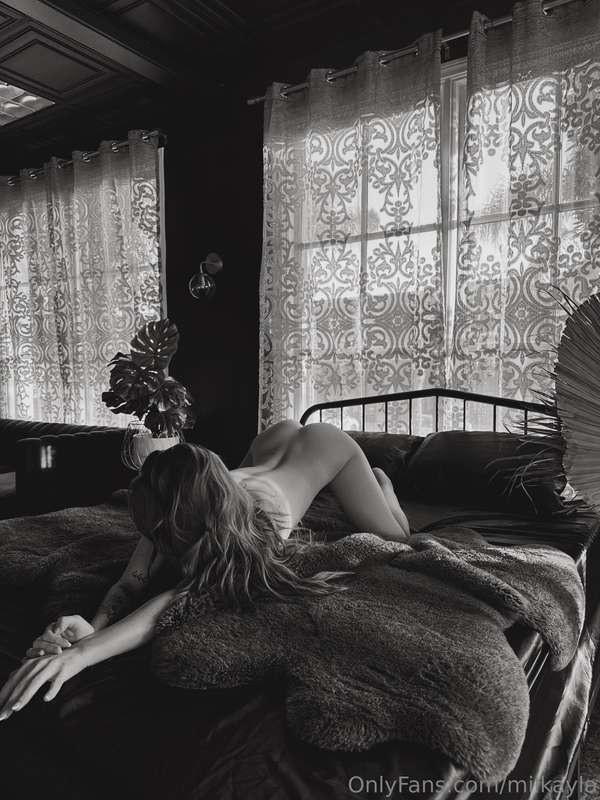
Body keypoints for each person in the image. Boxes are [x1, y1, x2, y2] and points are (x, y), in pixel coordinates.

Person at [0, 420, 410, 721]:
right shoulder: (181, 498)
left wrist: (82, 656)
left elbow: (181, 598)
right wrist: (95, 625)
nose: (153, 539)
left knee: (397, 535)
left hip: (329, 448)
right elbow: (133, 580)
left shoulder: (257, 526)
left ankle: (385, 487)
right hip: (273, 437)